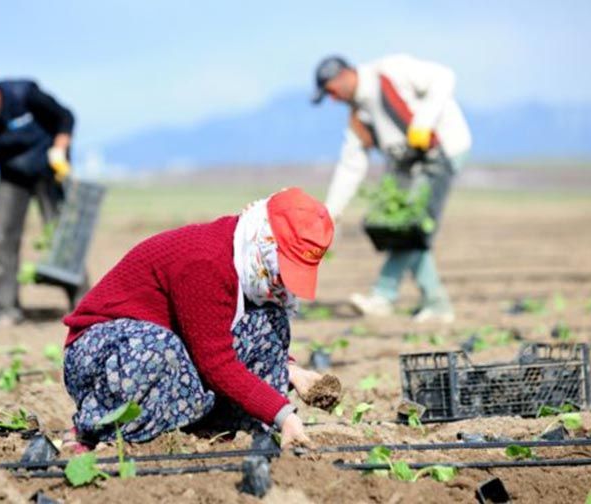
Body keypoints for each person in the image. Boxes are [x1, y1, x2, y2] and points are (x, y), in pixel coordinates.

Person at [62, 187, 333, 448]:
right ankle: (94, 428)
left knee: (269, 321)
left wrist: (291, 371)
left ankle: (216, 427)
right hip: (101, 355)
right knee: (158, 347)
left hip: (173, 349)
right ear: (266, 241)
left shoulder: (247, 261)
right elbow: (216, 362)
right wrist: (283, 414)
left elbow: (236, 330)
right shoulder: (206, 262)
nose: (282, 279)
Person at [312, 54, 472, 324]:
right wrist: (331, 212)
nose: (333, 99)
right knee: (403, 227)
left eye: (331, 91)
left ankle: (389, 298)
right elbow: (351, 166)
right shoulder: (359, 116)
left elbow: (445, 76)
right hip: (409, 164)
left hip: (442, 151)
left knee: (410, 227)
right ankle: (429, 303)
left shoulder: (390, 70)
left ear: (343, 76)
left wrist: (423, 122)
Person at [0, 75, 88, 325]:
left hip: (49, 168)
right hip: (12, 175)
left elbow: (65, 117)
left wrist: (60, 148)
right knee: (2, 236)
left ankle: (82, 304)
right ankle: (6, 309)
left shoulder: (24, 95)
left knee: (63, 236)